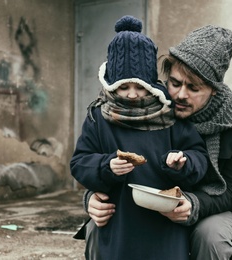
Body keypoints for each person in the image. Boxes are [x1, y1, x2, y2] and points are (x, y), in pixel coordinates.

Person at [70, 15, 209, 260]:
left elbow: (200, 157)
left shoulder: (170, 114)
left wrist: (183, 162)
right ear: (111, 84)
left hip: (165, 227)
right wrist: (106, 166)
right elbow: (79, 163)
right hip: (119, 225)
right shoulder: (99, 117)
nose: (132, 95)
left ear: (152, 84)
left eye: (140, 86)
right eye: (123, 87)